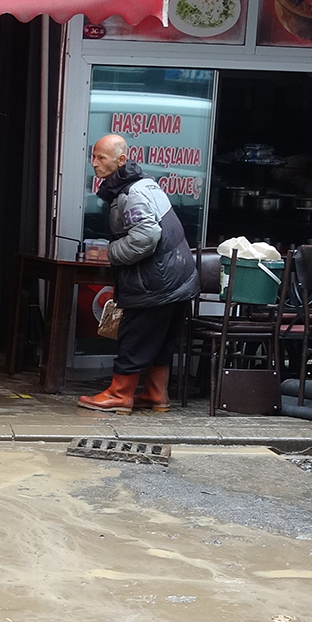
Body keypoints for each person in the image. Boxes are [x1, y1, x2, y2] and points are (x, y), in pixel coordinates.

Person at [78, 134, 199, 414]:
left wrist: (112, 253)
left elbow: (146, 236)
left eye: (101, 158)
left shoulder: (132, 193)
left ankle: (119, 395)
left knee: (135, 335)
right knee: (160, 340)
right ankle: (156, 395)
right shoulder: (146, 184)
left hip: (155, 283)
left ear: (121, 160)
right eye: (93, 157)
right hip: (177, 279)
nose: (94, 164)